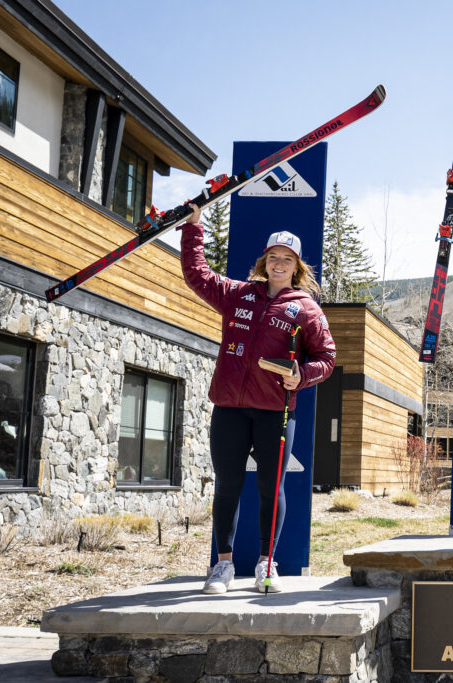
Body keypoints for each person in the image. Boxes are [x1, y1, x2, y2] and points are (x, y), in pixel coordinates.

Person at [181, 203, 335, 594]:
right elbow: (196, 275)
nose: (279, 264)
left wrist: (302, 376)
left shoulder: (306, 309)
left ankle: (267, 565)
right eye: (273, 257)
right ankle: (223, 566)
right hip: (230, 407)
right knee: (227, 485)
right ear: (264, 261)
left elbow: (327, 358)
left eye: (287, 259)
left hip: (276, 411)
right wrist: (194, 228)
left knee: (271, 487)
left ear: (296, 267)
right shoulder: (237, 295)